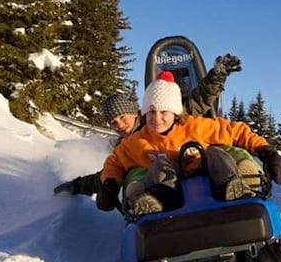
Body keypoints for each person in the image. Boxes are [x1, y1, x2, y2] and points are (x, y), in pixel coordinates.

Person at [96, 71, 281, 216]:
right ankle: (150, 203)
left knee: (216, 153)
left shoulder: (195, 127)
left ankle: (236, 185)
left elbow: (235, 131)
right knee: (157, 166)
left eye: (164, 112)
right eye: (151, 112)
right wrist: (110, 184)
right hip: (170, 194)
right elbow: (115, 162)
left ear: (175, 112)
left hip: (211, 183)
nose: (157, 118)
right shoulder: (137, 141)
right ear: (144, 113)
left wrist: (267, 152)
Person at [53, 54, 243, 196]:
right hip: (160, 197)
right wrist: (77, 186)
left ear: (135, 112)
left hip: (196, 182)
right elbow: (109, 174)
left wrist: (217, 76)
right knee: (133, 175)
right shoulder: (125, 147)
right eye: (113, 122)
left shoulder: (164, 118)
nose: (119, 124)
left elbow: (199, 100)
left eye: (122, 116)